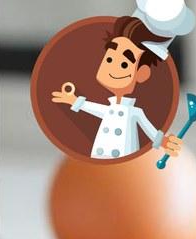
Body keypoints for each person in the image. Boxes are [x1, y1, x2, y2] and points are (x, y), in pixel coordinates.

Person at [49, 16, 182, 162]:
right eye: (109, 59)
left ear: (142, 73)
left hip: (127, 165)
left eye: (124, 65)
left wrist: (164, 142)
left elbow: (149, 130)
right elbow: (96, 109)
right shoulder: (109, 107)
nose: (111, 68)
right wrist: (74, 101)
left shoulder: (135, 112)